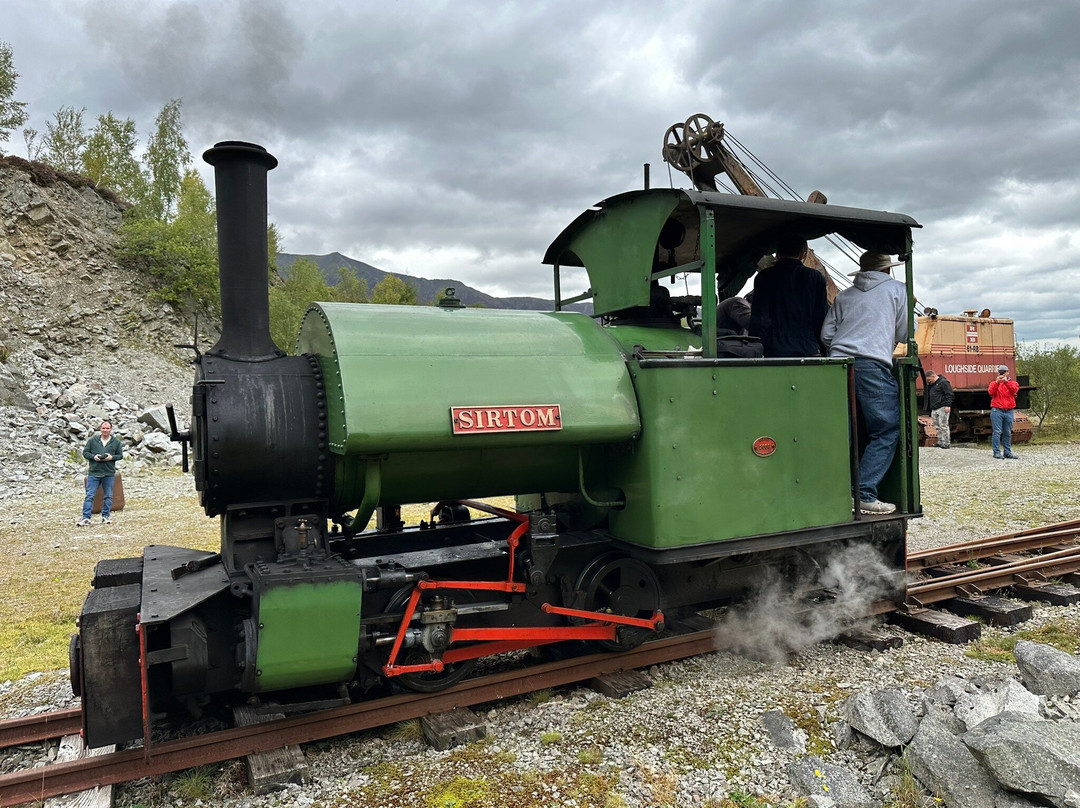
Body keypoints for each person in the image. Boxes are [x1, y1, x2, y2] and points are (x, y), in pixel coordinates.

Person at [821, 250, 909, 514]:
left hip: (838, 366)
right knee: (885, 429)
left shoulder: (845, 296)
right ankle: (864, 493)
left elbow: (827, 334)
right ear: (887, 270)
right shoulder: (896, 290)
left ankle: (833, 491)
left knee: (843, 430)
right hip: (871, 364)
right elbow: (905, 332)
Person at [748, 236, 828, 357]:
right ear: (803, 254)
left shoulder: (764, 277)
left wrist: (756, 348)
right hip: (807, 348)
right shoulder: (816, 277)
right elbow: (821, 317)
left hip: (773, 349)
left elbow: (759, 318)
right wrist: (823, 351)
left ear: (778, 253)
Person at [79, 420, 123, 526]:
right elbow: (85, 453)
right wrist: (93, 457)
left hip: (109, 473)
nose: (105, 430)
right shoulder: (92, 441)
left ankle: (105, 516)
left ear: (111, 429)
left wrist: (111, 457)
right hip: (94, 473)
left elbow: (120, 455)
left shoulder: (116, 442)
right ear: (100, 429)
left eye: (107, 428)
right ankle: (86, 518)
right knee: (89, 495)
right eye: (103, 428)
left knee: (108, 496)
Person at [988, 365, 1020, 459]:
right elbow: (991, 392)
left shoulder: (1013, 383)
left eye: (1004, 371)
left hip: (1009, 410)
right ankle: (996, 452)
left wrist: (1006, 382)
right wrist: (997, 382)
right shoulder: (994, 383)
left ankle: (1007, 452)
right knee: (997, 432)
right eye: (1000, 372)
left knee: (1007, 432)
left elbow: (1014, 390)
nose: (1002, 373)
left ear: (1008, 372)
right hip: (997, 410)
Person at [924, 370, 954, 449]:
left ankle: (946, 443)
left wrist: (948, 405)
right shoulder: (931, 385)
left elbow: (949, 394)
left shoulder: (943, 383)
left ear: (933, 376)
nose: (928, 382)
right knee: (937, 426)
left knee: (943, 425)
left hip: (942, 407)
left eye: (929, 380)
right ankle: (940, 441)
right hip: (934, 408)